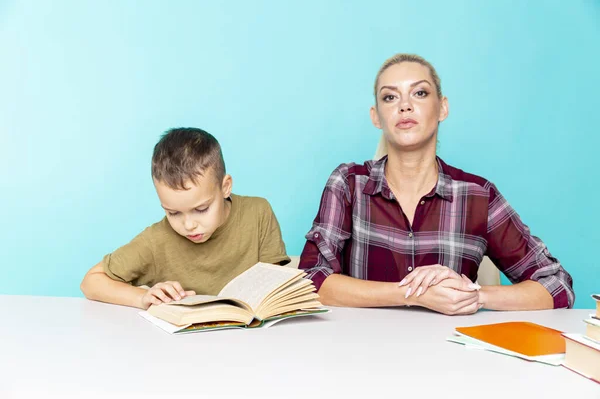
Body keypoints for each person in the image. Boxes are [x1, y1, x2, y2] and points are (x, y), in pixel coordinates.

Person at [298, 54, 574, 314]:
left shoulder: (478, 196)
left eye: (419, 93)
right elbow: (311, 281)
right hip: (360, 352)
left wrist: (473, 294)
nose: (404, 105)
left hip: (450, 355)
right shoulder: (348, 184)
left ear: (442, 107)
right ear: (376, 117)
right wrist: (413, 293)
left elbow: (557, 284)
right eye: (390, 97)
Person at [81, 127, 290, 309]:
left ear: (225, 187)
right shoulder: (157, 240)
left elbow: (276, 287)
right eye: (173, 213)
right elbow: (91, 282)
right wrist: (143, 297)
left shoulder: (258, 213)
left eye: (201, 209)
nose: (189, 225)